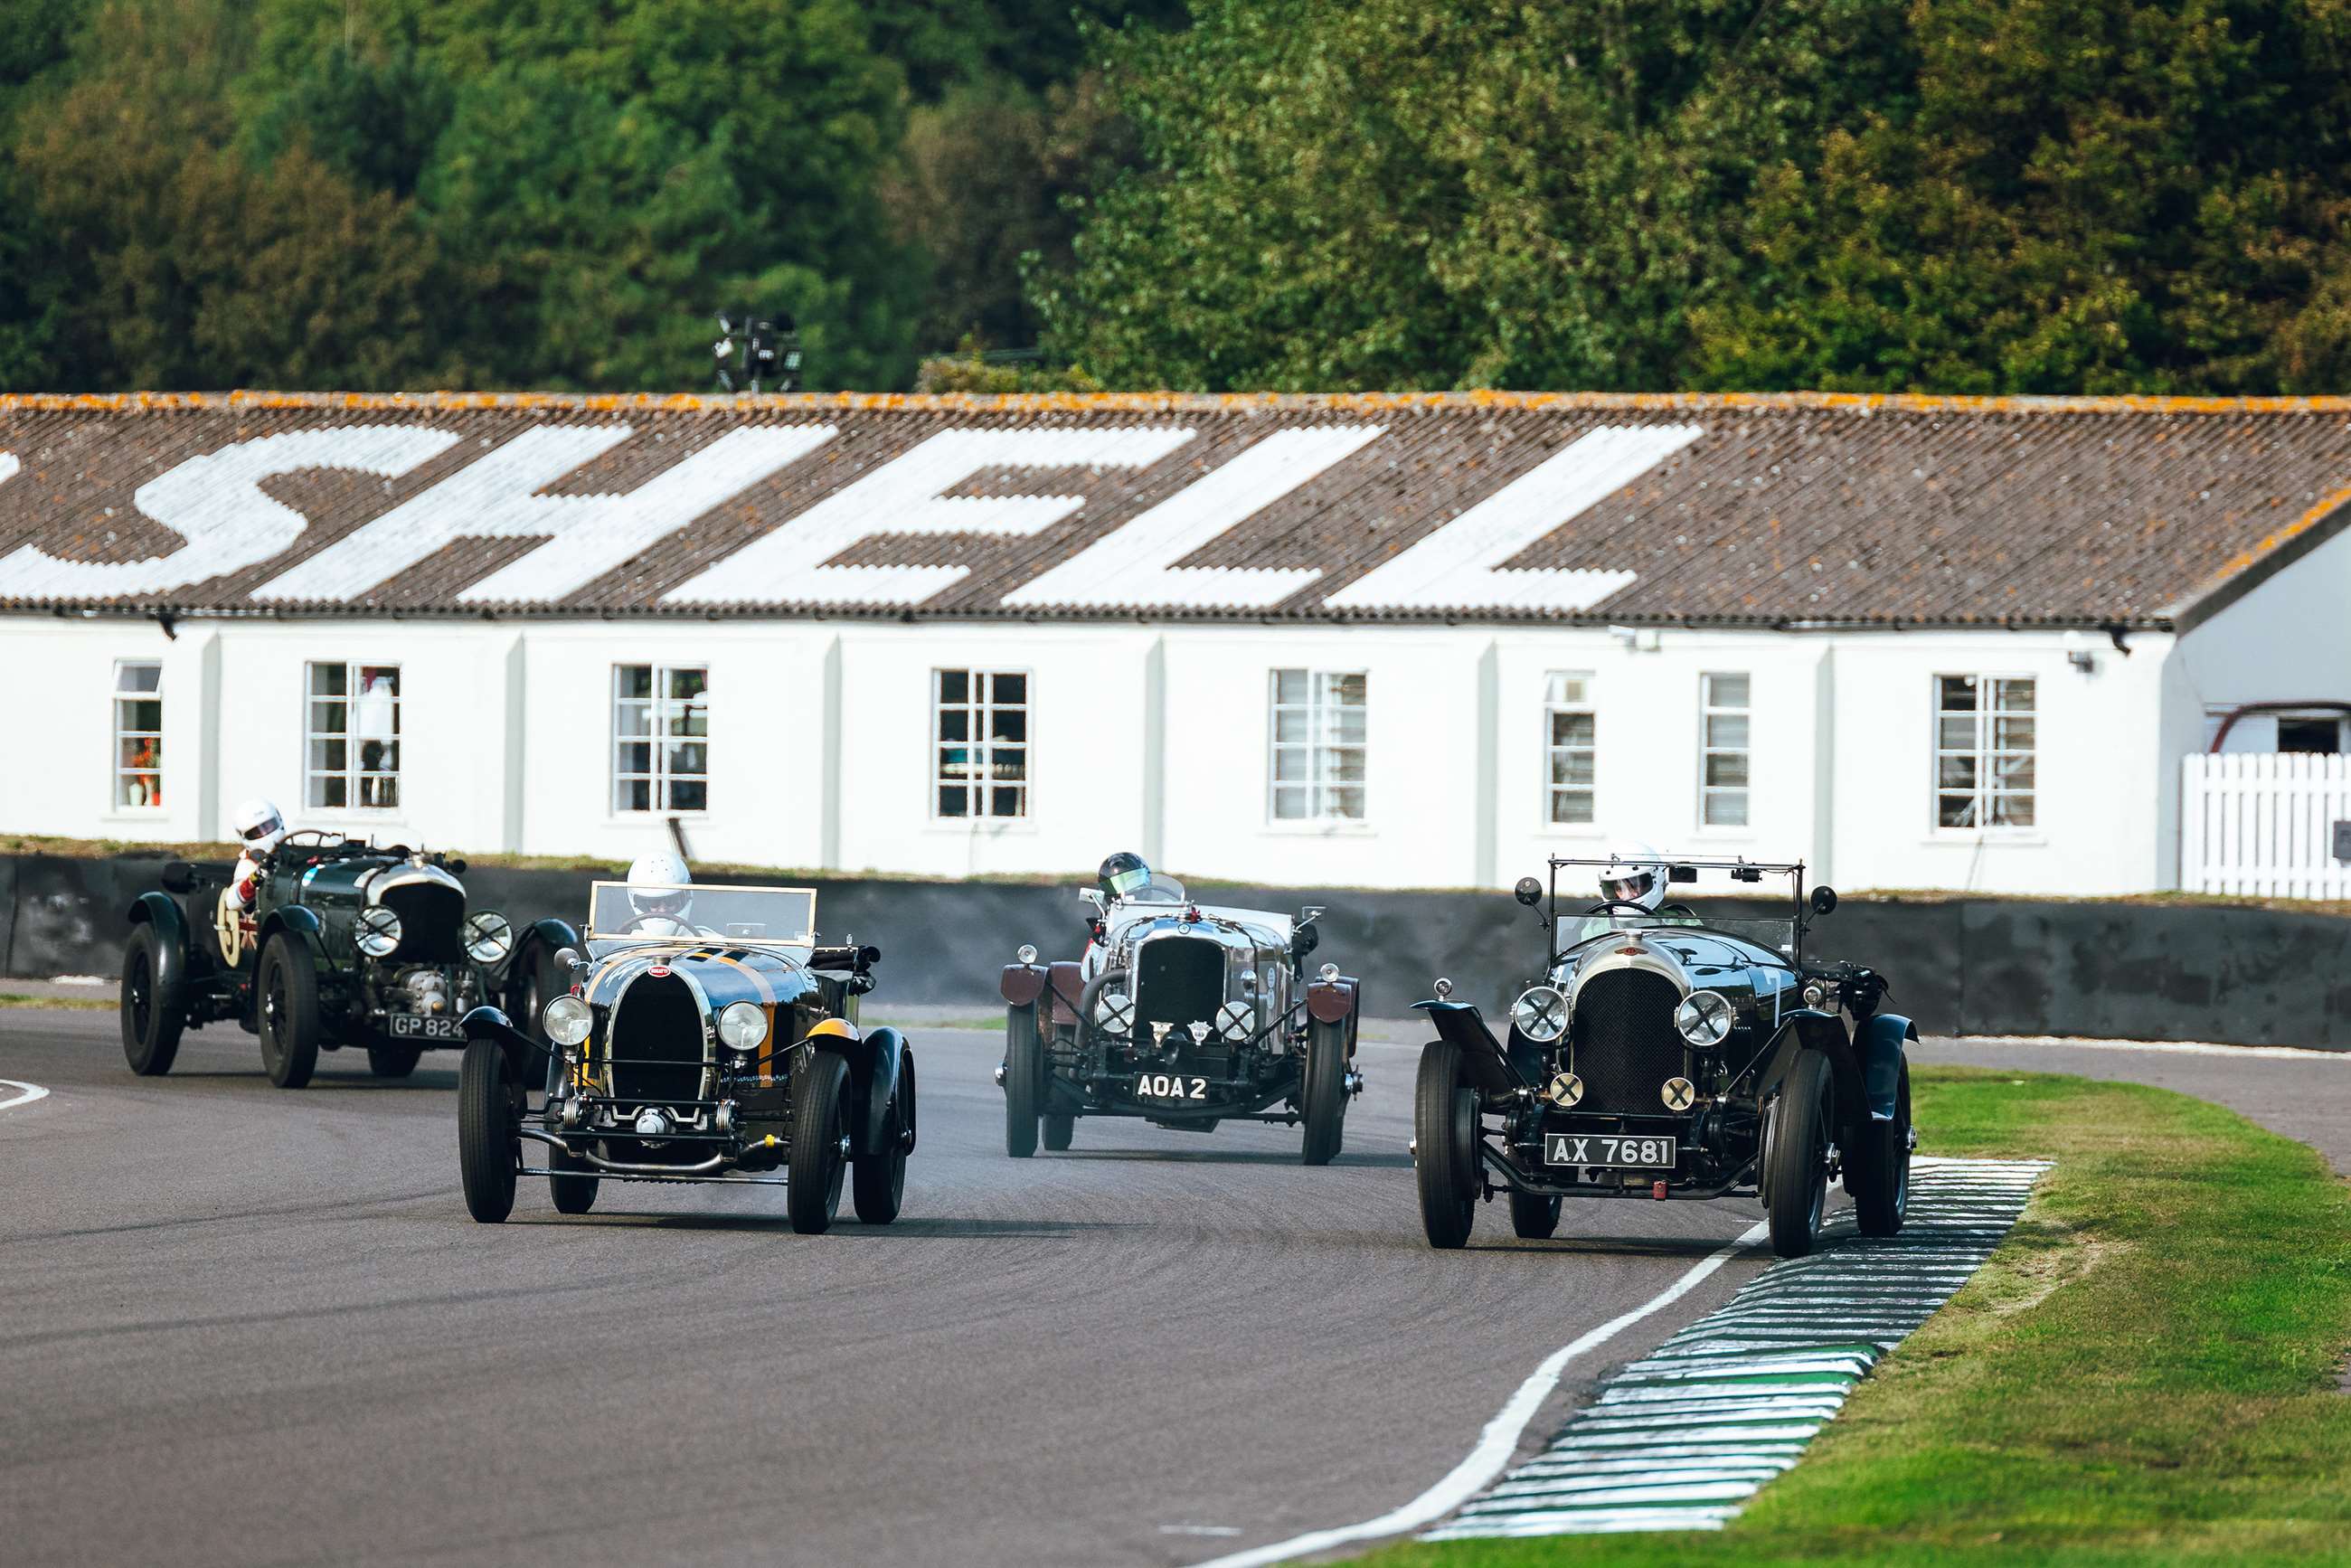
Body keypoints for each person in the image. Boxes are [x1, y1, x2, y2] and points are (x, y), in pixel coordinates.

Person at [623, 850, 699, 936]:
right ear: (641, 903)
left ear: (684, 898)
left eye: (671, 900)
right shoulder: (625, 940)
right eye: (654, 902)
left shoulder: (707, 939)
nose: (663, 910)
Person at [229, 797, 287, 910]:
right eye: (257, 832)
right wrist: (257, 876)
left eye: (268, 826)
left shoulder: (292, 850)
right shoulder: (248, 863)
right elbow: (232, 902)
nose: (265, 833)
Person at [1597, 841, 1669, 914]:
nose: (1626, 896)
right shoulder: (1597, 920)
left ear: (1657, 880)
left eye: (1634, 886)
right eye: (1620, 889)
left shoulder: (1673, 920)